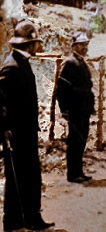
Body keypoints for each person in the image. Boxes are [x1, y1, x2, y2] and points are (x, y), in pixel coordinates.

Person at [0, 21, 55, 231]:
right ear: (30, 44)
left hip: (26, 132)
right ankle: (14, 222)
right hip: (16, 134)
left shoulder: (20, 62)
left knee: (30, 177)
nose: (37, 47)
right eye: (35, 43)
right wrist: (5, 130)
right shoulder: (10, 66)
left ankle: (30, 219)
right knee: (17, 179)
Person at [55, 32, 95, 184]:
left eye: (86, 45)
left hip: (83, 109)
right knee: (74, 142)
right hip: (75, 109)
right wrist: (65, 110)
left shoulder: (81, 62)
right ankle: (72, 174)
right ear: (74, 46)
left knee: (81, 141)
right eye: (82, 45)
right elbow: (62, 89)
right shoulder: (70, 63)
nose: (85, 48)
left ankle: (79, 172)